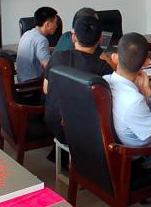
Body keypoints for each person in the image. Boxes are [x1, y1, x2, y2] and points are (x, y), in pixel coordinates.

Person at [43, 14, 114, 144]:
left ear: (74, 37)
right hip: (83, 132)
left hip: (54, 124)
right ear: (100, 39)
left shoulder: (57, 56)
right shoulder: (103, 67)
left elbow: (46, 89)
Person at [104, 33, 151, 148]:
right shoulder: (135, 101)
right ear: (146, 63)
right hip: (138, 154)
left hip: (111, 147)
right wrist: (147, 91)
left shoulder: (103, 81)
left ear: (114, 58)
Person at [15, 6, 58, 83]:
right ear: (47, 24)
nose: (56, 26)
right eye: (55, 23)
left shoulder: (27, 34)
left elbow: (39, 50)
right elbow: (47, 66)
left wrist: (57, 49)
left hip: (22, 79)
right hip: (32, 83)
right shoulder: (41, 40)